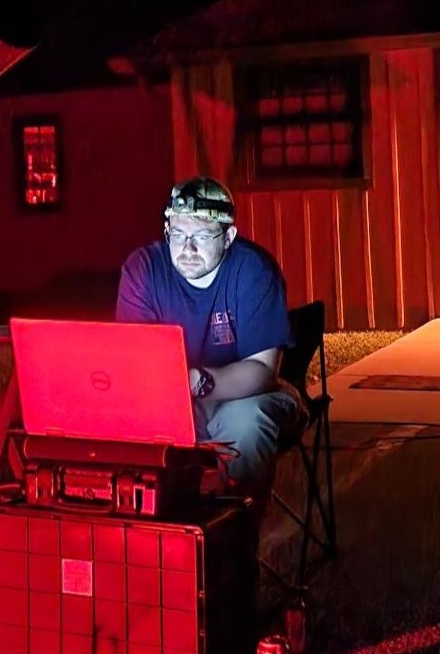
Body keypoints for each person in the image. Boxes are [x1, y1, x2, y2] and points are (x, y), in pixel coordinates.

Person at [115, 176, 304, 516]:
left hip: (246, 394)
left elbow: (262, 371)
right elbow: (133, 360)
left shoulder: (253, 270)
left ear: (228, 236)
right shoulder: (143, 270)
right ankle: (161, 543)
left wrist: (192, 381)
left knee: (246, 424)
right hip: (170, 400)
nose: (187, 248)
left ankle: (236, 545)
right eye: (177, 234)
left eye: (202, 236)